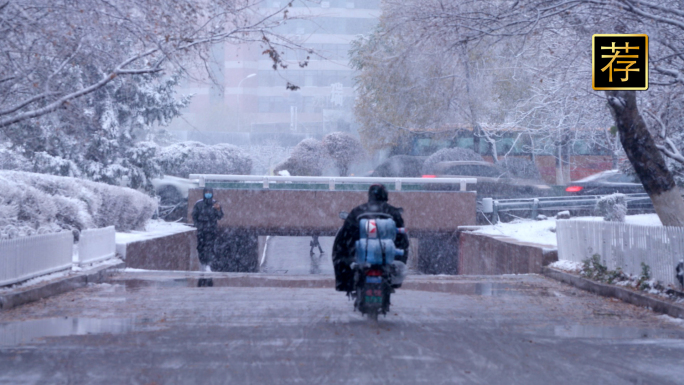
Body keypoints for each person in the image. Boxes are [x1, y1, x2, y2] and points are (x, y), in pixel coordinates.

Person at [332, 183, 409, 293]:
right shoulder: (393, 212)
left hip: (362, 259)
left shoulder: (358, 211)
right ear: (385, 195)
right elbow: (401, 238)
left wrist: (346, 258)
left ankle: (344, 284)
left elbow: (346, 235)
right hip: (386, 260)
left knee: (339, 246)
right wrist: (399, 259)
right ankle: (394, 282)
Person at [192, 187, 224, 276]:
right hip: (201, 230)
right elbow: (194, 216)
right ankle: (202, 263)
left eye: (210, 192)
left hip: (211, 230)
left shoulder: (215, 204)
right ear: (204, 193)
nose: (208, 194)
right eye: (206, 192)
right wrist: (198, 225)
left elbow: (220, 216)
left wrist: (218, 209)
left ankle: (208, 264)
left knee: (209, 248)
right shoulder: (199, 204)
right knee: (200, 247)